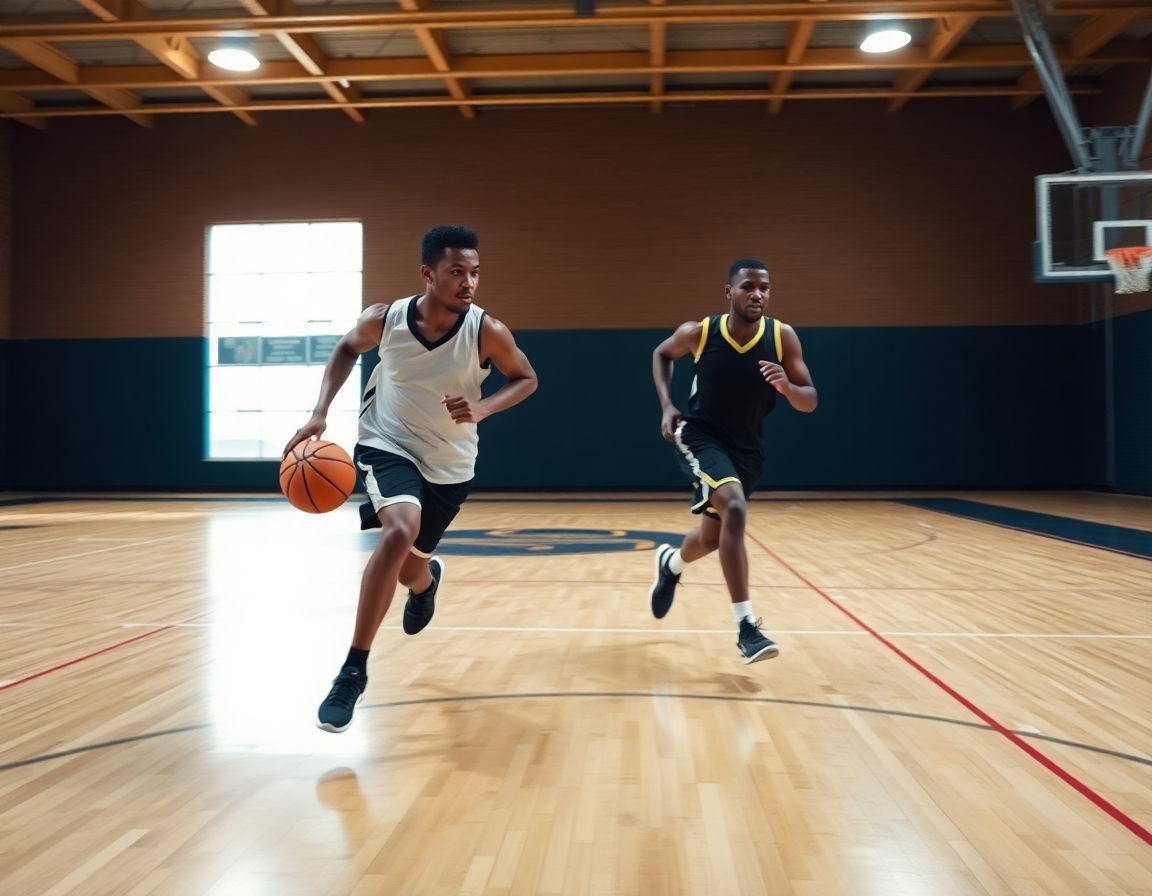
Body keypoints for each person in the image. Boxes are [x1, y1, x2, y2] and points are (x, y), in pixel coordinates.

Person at [284, 225, 538, 732]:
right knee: (399, 529)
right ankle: (353, 671)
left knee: (409, 570)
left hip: (450, 464)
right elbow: (346, 348)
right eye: (457, 272)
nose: (469, 283)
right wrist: (320, 412)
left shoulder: (487, 331)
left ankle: (425, 583)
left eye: (474, 273)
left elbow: (527, 378)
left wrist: (484, 407)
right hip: (387, 443)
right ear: (428, 273)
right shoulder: (386, 320)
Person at [649, 258, 817, 663]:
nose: (757, 294)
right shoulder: (701, 332)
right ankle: (746, 628)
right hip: (700, 436)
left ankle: (670, 564)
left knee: (712, 538)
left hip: (747, 448)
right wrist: (667, 405)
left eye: (764, 288)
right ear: (730, 292)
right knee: (735, 508)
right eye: (748, 287)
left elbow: (809, 400)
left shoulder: (782, 337)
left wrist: (787, 387)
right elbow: (662, 354)